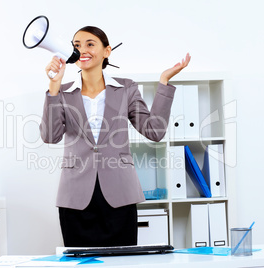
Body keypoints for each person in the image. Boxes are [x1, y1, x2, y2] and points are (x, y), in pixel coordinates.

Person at [40, 25, 190, 247]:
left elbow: (154, 131)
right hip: (75, 198)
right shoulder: (62, 92)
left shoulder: (126, 88)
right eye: (77, 46)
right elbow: (50, 136)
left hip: (120, 195)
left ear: (107, 51)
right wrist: (54, 85)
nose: (83, 50)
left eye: (90, 44)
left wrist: (164, 83)